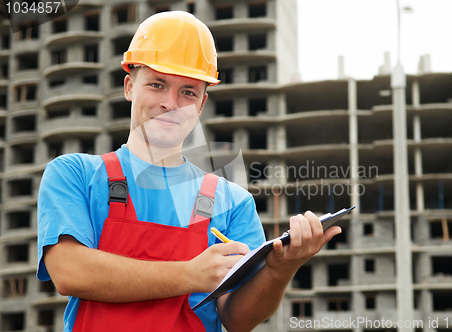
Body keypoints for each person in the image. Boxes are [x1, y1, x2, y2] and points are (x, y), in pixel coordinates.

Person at [37, 11, 342, 332]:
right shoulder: (75, 175)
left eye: (188, 92)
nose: (171, 103)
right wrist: (191, 275)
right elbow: (70, 272)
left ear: (200, 104)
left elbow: (238, 319)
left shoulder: (231, 201)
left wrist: (281, 270)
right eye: (157, 84)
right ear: (129, 86)